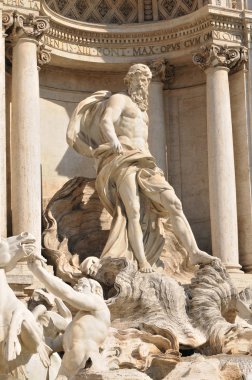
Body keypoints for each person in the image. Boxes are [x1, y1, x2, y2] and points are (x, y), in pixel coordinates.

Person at [67, 64, 216, 273]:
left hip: (145, 161)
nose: (142, 83)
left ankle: (193, 251)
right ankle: (142, 261)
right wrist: (113, 141)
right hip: (123, 158)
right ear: (129, 80)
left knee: (174, 202)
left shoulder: (144, 112)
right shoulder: (120, 99)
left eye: (145, 79)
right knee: (133, 211)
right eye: (138, 78)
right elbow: (106, 121)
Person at [27, 253, 110, 380]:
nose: (77, 288)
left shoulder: (99, 304)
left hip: (88, 364)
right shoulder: (77, 322)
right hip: (65, 368)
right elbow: (54, 344)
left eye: (83, 286)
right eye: (77, 286)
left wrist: (39, 271)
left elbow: (68, 294)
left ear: (96, 290)